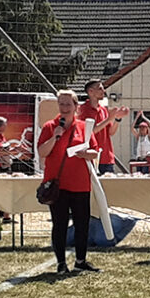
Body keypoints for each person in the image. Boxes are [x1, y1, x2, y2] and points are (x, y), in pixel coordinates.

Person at [37, 90, 102, 274]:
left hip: (80, 184)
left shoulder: (84, 127)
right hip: (57, 185)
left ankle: (81, 260)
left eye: (68, 104)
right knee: (60, 224)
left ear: (76, 107)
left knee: (82, 224)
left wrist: (85, 153)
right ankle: (60, 263)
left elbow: (95, 151)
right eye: (61, 104)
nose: (64, 108)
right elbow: (42, 152)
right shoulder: (50, 126)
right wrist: (55, 136)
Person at [77, 79, 130, 174]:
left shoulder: (103, 110)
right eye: (100, 88)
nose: (104, 91)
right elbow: (90, 132)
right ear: (91, 92)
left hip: (107, 158)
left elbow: (110, 132)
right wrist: (109, 119)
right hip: (91, 157)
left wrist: (117, 118)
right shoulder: (83, 110)